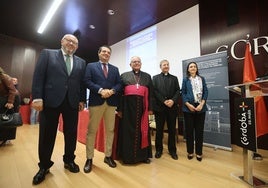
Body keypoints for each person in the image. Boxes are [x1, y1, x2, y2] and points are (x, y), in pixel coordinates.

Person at [31, 34, 86, 185]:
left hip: (72, 103)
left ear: (77, 47)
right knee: (47, 134)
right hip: (50, 101)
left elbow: (82, 84)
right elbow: (38, 76)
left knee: (71, 134)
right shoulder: (47, 54)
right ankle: (44, 166)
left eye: (75, 42)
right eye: (68, 40)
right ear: (61, 41)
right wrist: (37, 97)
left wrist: (82, 100)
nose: (71, 43)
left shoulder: (81, 62)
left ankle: (69, 160)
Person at [83, 45, 122, 173]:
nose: (106, 53)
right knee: (92, 131)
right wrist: (101, 90)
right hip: (96, 101)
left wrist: (112, 91)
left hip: (111, 103)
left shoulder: (115, 69)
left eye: (108, 52)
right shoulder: (91, 66)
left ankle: (108, 156)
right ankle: (89, 158)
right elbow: (87, 81)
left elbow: (119, 84)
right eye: (104, 51)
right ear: (99, 53)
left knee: (110, 130)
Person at [117, 56, 153, 164]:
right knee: (127, 133)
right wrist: (119, 109)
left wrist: (150, 108)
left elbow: (151, 94)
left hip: (142, 109)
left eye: (138, 62)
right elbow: (119, 93)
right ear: (130, 64)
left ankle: (143, 156)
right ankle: (127, 157)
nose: (136, 63)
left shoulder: (147, 76)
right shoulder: (124, 76)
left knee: (143, 131)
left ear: (141, 64)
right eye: (134, 62)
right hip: (127, 109)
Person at [152, 59, 181, 160]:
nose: (166, 66)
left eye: (167, 65)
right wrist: (164, 101)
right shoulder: (155, 78)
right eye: (164, 65)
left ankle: (172, 150)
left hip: (172, 108)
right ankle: (159, 150)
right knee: (159, 130)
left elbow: (178, 91)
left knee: (172, 130)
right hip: (160, 108)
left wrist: (172, 101)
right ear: (160, 67)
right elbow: (155, 92)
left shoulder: (174, 78)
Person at [181, 62, 208, 162]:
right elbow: (182, 93)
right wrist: (188, 104)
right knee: (189, 132)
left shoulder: (202, 79)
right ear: (188, 69)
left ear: (197, 69)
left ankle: (199, 153)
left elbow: (206, 91)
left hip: (201, 107)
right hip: (188, 108)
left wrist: (202, 104)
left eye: (194, 66)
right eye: (191, 67)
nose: (193, 68)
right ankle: (190, 152)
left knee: (199, 132)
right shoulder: (185, 80)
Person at [0, 68, 20, 146]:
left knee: (8, 119)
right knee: (3, 119)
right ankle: (4, 138)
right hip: (3, 99)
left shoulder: (3, 77)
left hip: (10, 99)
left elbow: (12, 90)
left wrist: (10, 102)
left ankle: (5, 138)